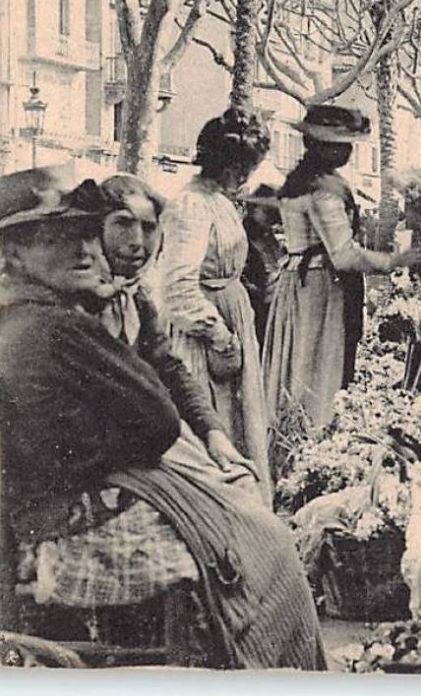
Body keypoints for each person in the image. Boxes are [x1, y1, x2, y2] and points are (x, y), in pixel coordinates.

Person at [0, 168, 324, 669]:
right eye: (52, 237)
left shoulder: (64, 308)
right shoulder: (57, 321)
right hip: (86, 489)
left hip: (109, 467)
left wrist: (215, 436)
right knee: (260, 541)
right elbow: (154, 415)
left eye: (79, 234)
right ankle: (255, 664)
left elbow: (165, 372)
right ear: (12, 253)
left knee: (245, 504)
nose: (80, 250)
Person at [264, 105, 419, 432]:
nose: (347, 151)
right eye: (340, 144)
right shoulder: (321, 190)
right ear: (319, 146)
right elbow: (344, 256)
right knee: (321, 371)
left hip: (300, 281)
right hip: (321, 287)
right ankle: (311, 439)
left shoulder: (300, 179)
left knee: (299, 366)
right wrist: (393, 262)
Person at [97, 173, 253, 480]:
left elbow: (170, 369)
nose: (137, 242)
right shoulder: (84, 301)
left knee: (241, 483)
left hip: (146, 447)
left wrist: (213, 432)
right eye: (123, 224)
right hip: (114, 460)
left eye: (149, 228)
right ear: (96, 228)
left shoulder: (137, 298)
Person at [159, 107, 273, 488]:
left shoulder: (220, 201)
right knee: (214, 428)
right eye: (239, 166)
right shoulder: (190, 206)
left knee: (242, 426)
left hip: (232, 314)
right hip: (204, 335)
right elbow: (176, 285)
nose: (244, 177)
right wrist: (218, 335)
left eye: (249, 168)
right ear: (219, 161)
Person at [240, 184, 285, 347]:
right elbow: (238, 276)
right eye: (266, 212)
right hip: (254, 310)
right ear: (253, 209)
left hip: (272, 310)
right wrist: (260, 294)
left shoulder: (270, 238)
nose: (271, 218)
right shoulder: (242, 237)